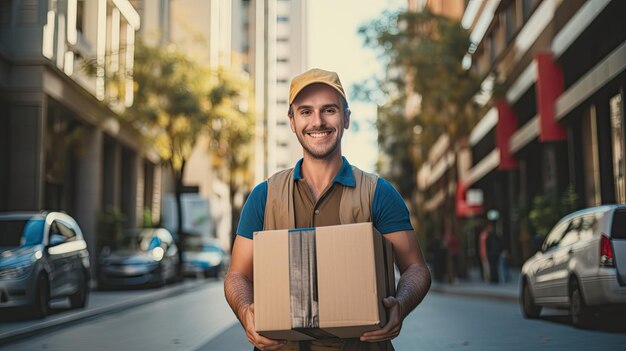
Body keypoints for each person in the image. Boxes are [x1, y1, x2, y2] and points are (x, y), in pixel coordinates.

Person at [224, 68, 431, 351]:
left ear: (346, 118)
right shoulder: (264, 196)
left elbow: (416, 268)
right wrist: (246, 311)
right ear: (292, 121)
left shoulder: (378, 193)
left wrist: (401, 306)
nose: (317, 121)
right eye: (305, 112)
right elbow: (237, 275)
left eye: (329, 110)